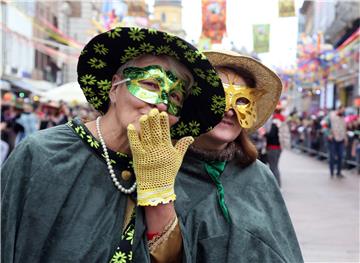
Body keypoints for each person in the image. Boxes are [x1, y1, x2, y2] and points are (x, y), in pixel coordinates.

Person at [1, 27, 225, 262]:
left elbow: (170, 259)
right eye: (150, 85)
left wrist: (159, 192)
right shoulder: (42, 154)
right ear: (115, 87)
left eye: (175, 97)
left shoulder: (172, 172)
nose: (161, 104)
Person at [174, 50, 303, 262]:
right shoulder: (162, 172)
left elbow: (285, 250)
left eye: (242, 101)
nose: (230, 110)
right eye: (220, 97)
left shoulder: (260, 177)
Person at [265, 105, 290, 187]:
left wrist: (264, 134)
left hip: (272, 147)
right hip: (279, 147)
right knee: (275, 166)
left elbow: (272, 135)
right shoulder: (282, 119)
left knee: (273, 167)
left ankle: (276, 185)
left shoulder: (275, 120)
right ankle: (277, 185)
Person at [324, 105, 347, 178]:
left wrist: (345, 138)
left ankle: (339, 172)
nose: (343, 112)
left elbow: (344, 128)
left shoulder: (343, 118)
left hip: (341, 139)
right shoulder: (330, 116)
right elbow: (324, 125)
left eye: (344, 111)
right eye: (342, 110)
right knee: (332, 156)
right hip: (332, 139)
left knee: (341, 155)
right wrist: (328, 134)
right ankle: (331, 172)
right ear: (339, 109)